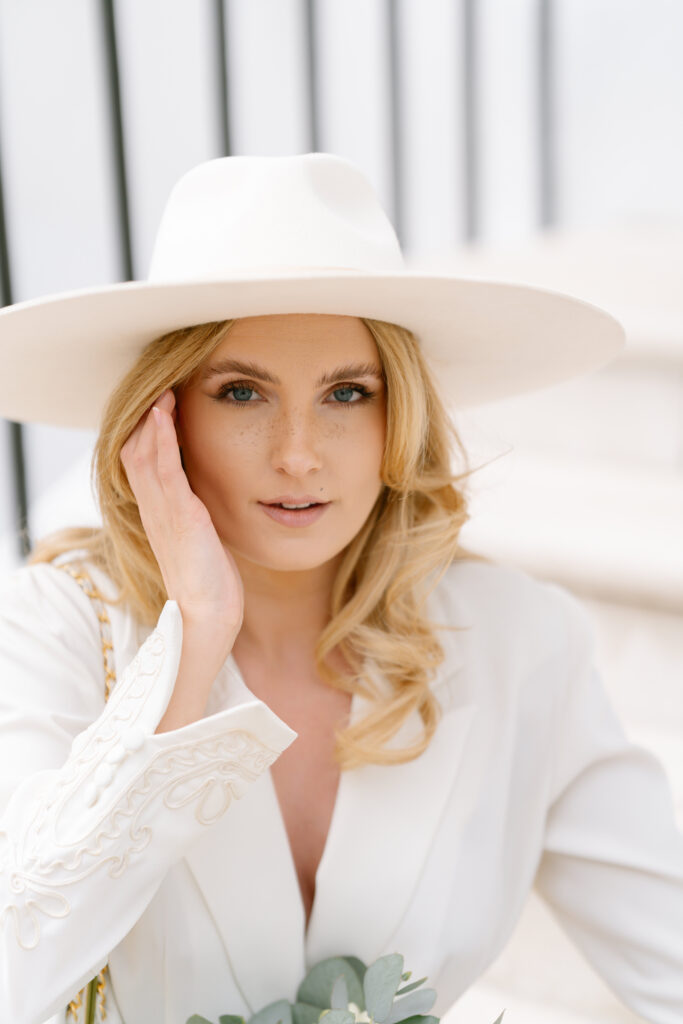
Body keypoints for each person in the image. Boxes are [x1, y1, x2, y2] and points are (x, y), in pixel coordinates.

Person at [0, 153, 681, 1024]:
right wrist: (193, 641)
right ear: (162, 418)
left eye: (346, 393)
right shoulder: (55, 626)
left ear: (398, 416)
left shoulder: (517, 641)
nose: (298, 453)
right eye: (242, 392)